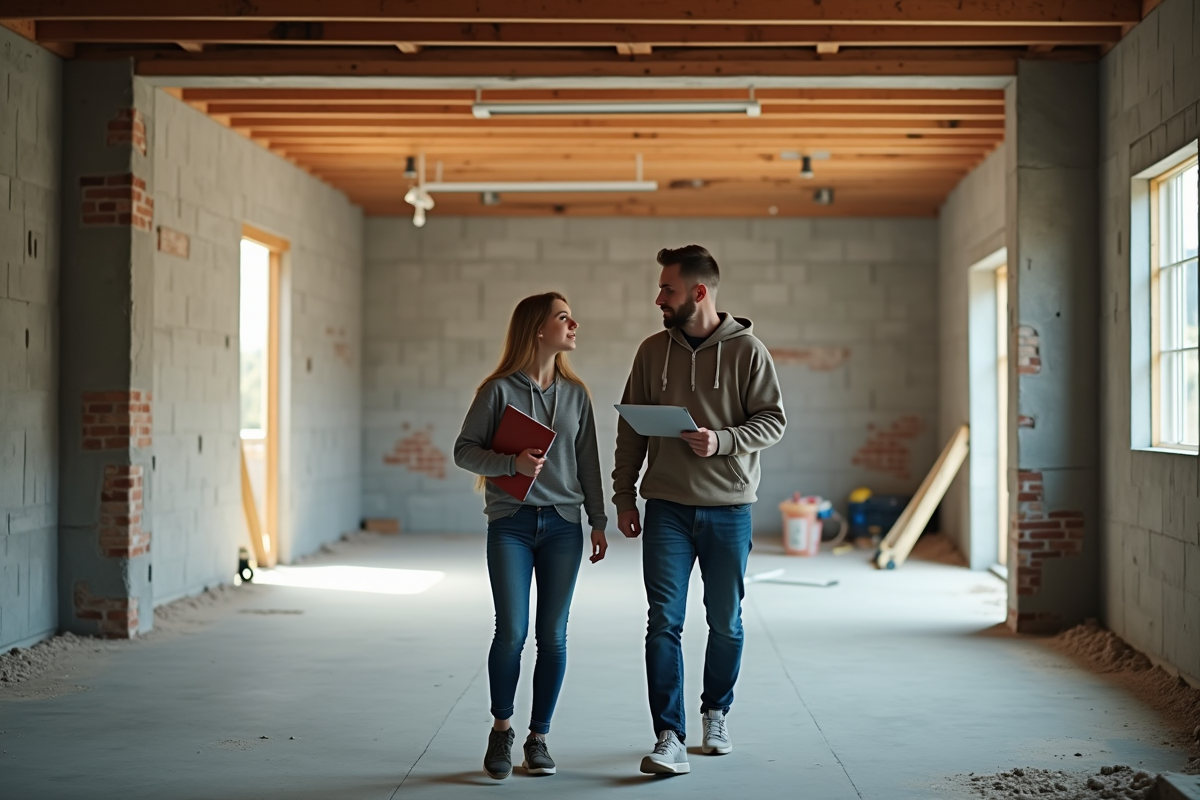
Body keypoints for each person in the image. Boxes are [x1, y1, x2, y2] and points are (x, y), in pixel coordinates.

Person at [613, 245, 786, 776]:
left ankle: (717, 711)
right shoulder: (650, 351)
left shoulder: (749, 351)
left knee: (725, 621)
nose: (658, 297)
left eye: (667, 289)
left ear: (699, 292)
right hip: (665, 506)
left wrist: (724, 441)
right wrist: (623, 495)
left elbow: (773, 422)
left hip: (729, 508)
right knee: (663, 621)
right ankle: (669, 735)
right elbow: (630, 428)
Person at [453, 292, 609, 781]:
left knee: (553, 636)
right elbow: (464, 451)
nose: (574, 323)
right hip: (511, 524)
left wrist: (599, 520)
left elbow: (588, 461)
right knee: (513, 631)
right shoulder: (497, 391)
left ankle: (538, 738)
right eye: (564, 317)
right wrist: (510, 465)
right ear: (538, 330)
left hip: (564, 524)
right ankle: (502, 729)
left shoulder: (577, 394)